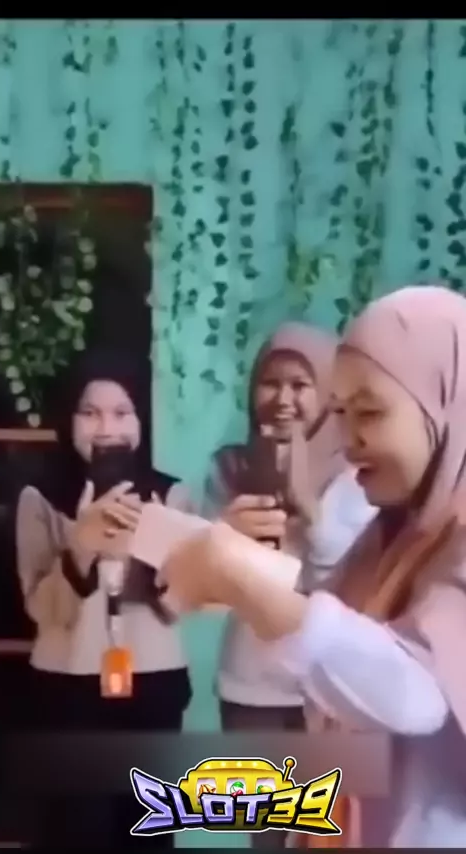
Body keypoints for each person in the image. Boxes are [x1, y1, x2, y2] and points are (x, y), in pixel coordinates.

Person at [160, 286, 466, 847]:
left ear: (445, 401)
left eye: (370, 412)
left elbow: (419, 694)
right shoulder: (393, 531)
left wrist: (243, 578)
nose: (348, 439)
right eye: (341, 413)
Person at [200, 322, 375, 848]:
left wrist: (307, 504)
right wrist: (224, 533)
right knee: (268, 838)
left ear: (328, 393)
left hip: (329, 692)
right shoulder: (228, 468)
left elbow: (349, 582)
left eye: (300, 385)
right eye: (270, 383)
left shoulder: (360, 476)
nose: (282, 399)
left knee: (327, 837)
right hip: (250, 689)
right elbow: (206, 587)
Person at [16, 349, 191, 849]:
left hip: (153, 682)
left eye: (121, 412)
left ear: (140, 421)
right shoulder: (40, 497)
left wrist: (148, 537)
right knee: (74, 831)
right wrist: (82, 544)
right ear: (70, 420)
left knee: (149, 833)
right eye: (90, 413)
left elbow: (179, 605)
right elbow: (41, 610)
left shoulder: (171, 496)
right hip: (66, 685)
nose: (106, 428)